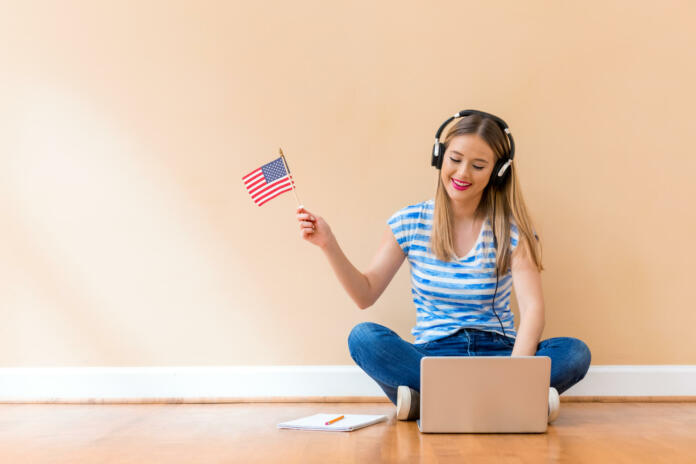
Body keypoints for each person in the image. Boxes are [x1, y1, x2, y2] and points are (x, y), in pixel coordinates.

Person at [296, 110, 591, 423]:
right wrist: (328, 243)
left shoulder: (512, 229)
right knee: (364, 338)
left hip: (499, 355)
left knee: (575, 352)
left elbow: (533, 310)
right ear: (440, 157)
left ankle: (436, 402)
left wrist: (514, 373)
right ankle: (508, 403)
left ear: (498, 172)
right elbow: (365, 295)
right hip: (432, 358)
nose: (463, 173)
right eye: (455, 159)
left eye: (479, 166)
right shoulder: (409, 222)